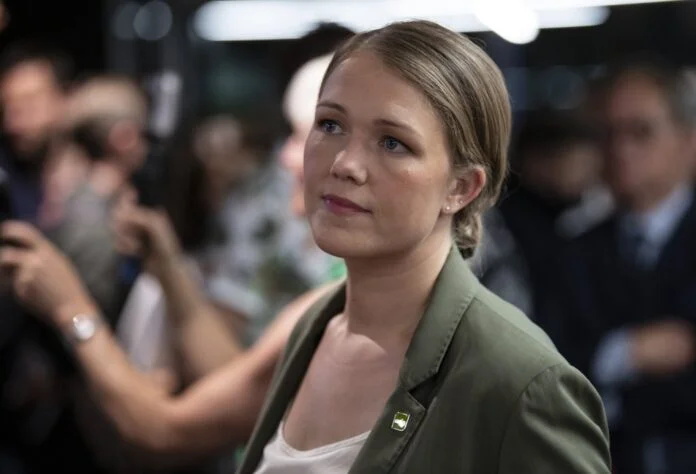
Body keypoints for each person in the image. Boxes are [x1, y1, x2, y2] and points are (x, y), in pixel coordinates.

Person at [559, 60, 696, 474]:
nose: (620, 149)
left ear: (688, 142)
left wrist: (605, 364)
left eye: (641, 132)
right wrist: (631, 352)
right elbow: (554, 366)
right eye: (608, 133)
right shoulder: (573, 251)